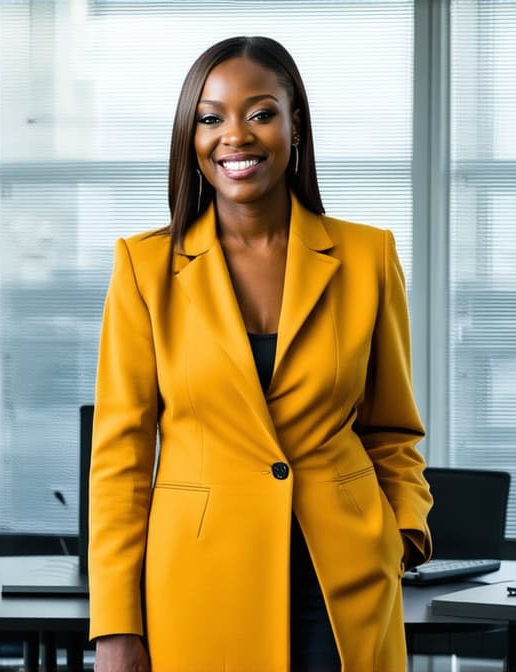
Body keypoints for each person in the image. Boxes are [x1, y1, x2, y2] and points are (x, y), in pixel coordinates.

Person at [88, 36, 432, 672]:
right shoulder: (143, 267)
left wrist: (401, 535)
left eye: (260, 112)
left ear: (294, 124)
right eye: (211, 117)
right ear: (190, 139)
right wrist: (114, 623)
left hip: (344, 580)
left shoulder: (368, 258)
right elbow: (121, 458)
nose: (235, 137)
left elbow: (393, 428)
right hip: (198, 580)